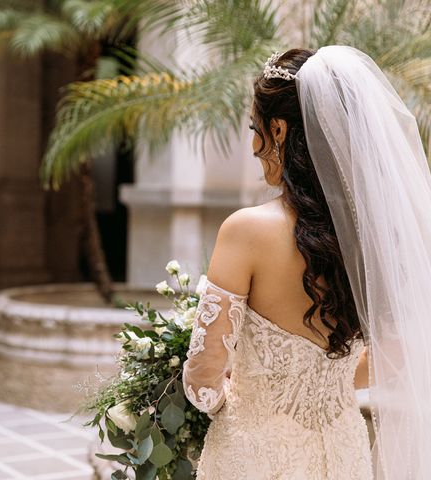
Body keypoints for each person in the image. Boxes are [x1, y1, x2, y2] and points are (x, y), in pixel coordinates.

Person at [183, 46, 431, 479]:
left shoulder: (247, 231)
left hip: (256, 456)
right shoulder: (374, 238)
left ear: (277, 130)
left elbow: (202, 381)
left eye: (254, 129)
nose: (255, 147)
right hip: (343, 452)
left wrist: (244, 397)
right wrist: (322, 388)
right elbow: (399, 355)